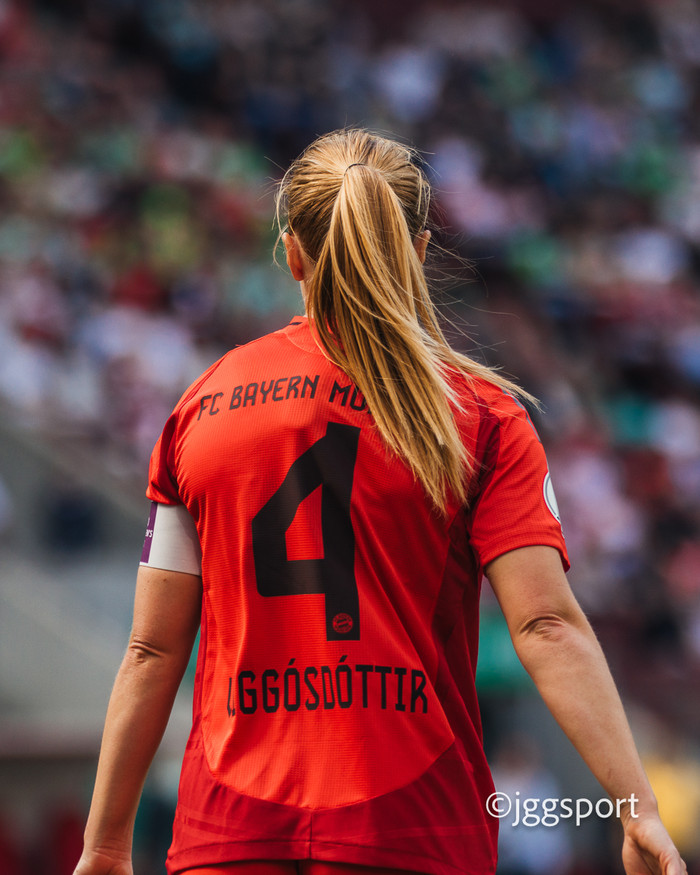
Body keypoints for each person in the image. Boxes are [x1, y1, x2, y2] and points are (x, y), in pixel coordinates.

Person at [73, 129, 686, 875]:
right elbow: (546, 624)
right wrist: (635, 805)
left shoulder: (200, 407)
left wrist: (104, 844)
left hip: (228, 828)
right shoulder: (479, 415)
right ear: (419, 250)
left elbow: (151, 649)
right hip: (410, 823)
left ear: (291, 253)